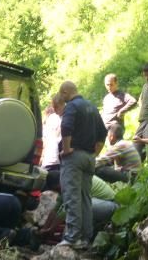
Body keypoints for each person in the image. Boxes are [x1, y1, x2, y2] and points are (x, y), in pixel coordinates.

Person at [57, 81, 107, 249]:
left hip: (74, 157)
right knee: (86, 198)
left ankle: (72, 238)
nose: (62, 99)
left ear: (65, 92)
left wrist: (66, 149)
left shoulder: (72, 106)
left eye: (62, 95)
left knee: (72, 196)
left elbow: (66, 127)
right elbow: (103, 133)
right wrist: (95, 154)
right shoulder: (92, 107)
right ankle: (86, 238)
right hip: (89, 159)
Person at [40, 94, 65, 173]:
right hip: (57, 159)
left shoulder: (53, 118)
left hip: (51, 159)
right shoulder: (60, 117)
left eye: (56, 107)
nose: (55, 110)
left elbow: (48, 140)